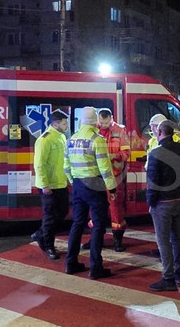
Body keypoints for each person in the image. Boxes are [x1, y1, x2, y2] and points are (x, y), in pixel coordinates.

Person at [64, 107, 117, 279]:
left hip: (78, 184)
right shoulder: (97, 139)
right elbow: (105, 168)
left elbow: (66, 166)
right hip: (95, 185)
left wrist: (75, 182)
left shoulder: (71, 139)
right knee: (98, 225)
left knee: (77, 223)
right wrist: (112, 188)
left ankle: (71, 263)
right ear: (95, 121)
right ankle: (96, 267)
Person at [146, 119, 180, 291]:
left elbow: (152, 183)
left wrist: (151, 203)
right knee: (176, 238)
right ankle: (178, 273)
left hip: (162, 203)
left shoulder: (156, 153)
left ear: (159, 133)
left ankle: (168, 278)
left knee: (163, 241)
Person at [82, 108, 131, 252]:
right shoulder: (92, 130)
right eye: (100, 122)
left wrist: (112, 156)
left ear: (111, 119)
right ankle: (96, 239)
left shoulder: (120, 131)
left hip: (115, 176)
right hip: (97, 176)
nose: (102, 125)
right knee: (95, 208)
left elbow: (126, 153)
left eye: (105, 122)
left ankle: (117, 240)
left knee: (116, 209)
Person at [31, 110, 70, 260]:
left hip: (61, 184)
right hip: (49, 186)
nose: (66, 126)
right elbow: (39, 165)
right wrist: (45, 185)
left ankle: (40, 234)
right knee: (50, 217)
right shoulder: (44, 139)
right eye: (64, 123)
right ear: (55, 124)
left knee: (63, 212)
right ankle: (48, 246)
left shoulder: (61, 137)